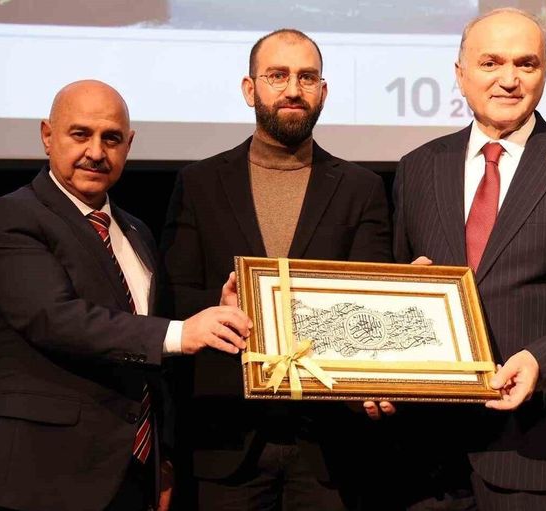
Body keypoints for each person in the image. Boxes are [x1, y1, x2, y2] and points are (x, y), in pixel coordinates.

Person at [392, 8, 546, 510]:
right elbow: (397, 285)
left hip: (538, 452)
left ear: (545, 72)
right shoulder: (417, 168)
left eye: (525, 64)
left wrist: (541, 362)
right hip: (427, 458)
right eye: (490, 63)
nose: (508, 79)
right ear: (460, 73)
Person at [0, 79, 252, 511]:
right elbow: (56, 319)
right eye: (80, 134)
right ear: (47, 135)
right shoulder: (10, 217)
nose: (96, 152)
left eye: (111, 139)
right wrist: (182, 333)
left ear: (129, 145)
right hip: (36, 481)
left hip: (129, 476)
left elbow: (145, 331)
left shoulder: (136, 232)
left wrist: (216, 311)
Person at [160, 29, 392, 510]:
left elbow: (371, 306)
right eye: (277, 76)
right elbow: (173, 297)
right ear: (250, 89)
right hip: (226, 438)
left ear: (322, 92)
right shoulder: (199, 183)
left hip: (331, 444)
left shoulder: (361, 188)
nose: (292, 89)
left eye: (307, 78)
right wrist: (217, 307)